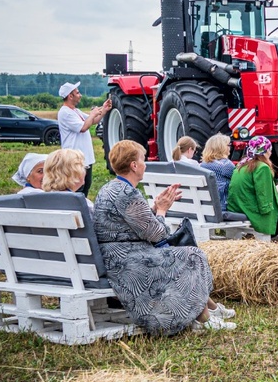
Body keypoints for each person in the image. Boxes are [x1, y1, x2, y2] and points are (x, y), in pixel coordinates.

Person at [93, 139, 234, 334]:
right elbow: (158, 235)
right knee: (192, 255)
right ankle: (203, 319)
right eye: (143, 160)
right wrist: (162, 211)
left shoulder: (110, 188)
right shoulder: (127, 194)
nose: (145, 164)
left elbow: (131, 223)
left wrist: (153, 207)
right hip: (129, 262)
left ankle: (206, 312)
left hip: (118, 257)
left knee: (185, 254)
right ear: (134, 166)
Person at [226, 135, 278, 242]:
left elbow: (263, 191)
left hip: (239, 207)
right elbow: (264, 200)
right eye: (269, 149)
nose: (271, 152)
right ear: (263, 151)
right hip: (251, 211)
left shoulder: (242, 165)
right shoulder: (262, 167)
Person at [57, 81, 110, 194]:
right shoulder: (65, 113)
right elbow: (84, 127)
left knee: (85, 187)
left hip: (84, 159)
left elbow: (93, 121)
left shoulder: (75, 111)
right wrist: (92, 114)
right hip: (74, 160)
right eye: (77, 93)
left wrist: (104, 109)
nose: (80, 95)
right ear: (70, 96)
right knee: (77, 189)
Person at [199, 134, 236, 209]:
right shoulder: (226, 165)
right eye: (228, 145)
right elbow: (238, 182)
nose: (230, 148)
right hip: (222, 207)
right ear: (222, 147)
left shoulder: (202, 165)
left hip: (206, 206)